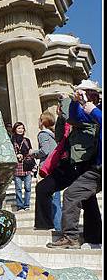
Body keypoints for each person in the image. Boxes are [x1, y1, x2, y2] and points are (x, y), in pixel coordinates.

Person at [34, 83, 101, 235]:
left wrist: (67, 101)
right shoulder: (77, 113)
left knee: (87, 200)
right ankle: (44, 226)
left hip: (84, 164)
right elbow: (59, 136)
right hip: (68, 163)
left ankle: (94, 236)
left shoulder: (94, 114)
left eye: (87, 94)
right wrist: (60, 117)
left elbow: (74, 117)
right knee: (43, 188)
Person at [30, 112, 62, 230]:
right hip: (55, 167)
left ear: (43, 121)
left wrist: (33, 153)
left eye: (39, 120)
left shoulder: (42, 134)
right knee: (56, 199)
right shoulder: (53, 134)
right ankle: (59, 226)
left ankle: (50, 225)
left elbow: (45, 150)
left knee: (48, 197)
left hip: (46, 168)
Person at [11, 122, 34, 211]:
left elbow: (30, 151)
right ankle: (20, 205)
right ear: (15, 129)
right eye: (19, 128)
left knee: (28, 187)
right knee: (18, 188)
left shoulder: (26, 140)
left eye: (22, 128)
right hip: (17, 166)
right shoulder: (12, 140)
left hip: (27, 165)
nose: (21, 130)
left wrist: (27, 154)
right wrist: (16, 155)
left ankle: (26, 204)